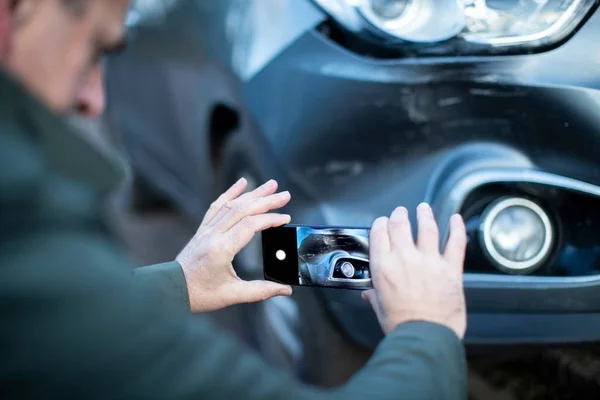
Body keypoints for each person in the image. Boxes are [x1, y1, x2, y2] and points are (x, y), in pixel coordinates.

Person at [0, 0, 469, 399]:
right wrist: (426, 328)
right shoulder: (22, 226)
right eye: (94, 51)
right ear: (12, 13)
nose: (95, 102)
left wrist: (179, 282)